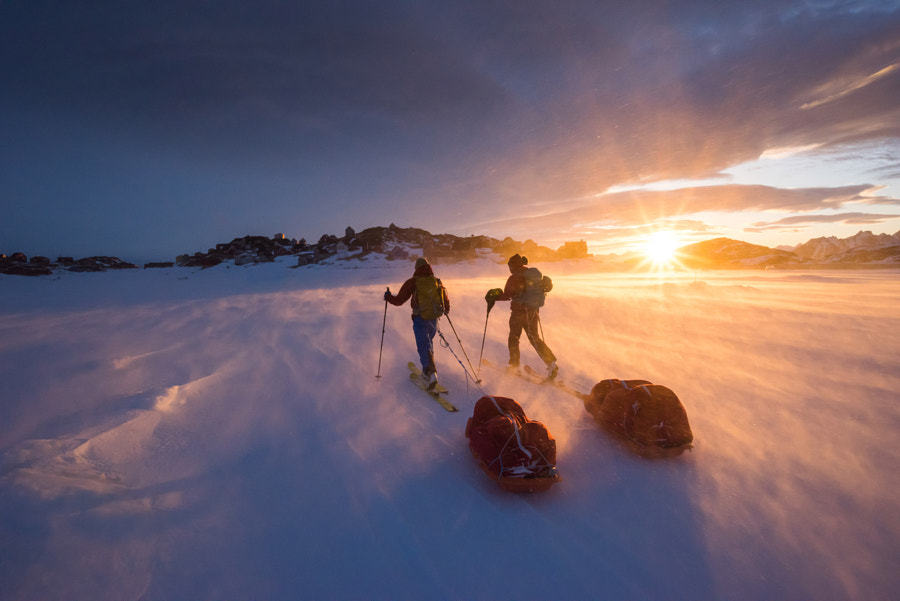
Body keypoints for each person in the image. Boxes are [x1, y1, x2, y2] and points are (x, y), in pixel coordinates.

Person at [485, 254, 558, 379]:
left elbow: (507, 294)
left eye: (510, 266)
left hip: (519, 312)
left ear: (514, 265)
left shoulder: (515, 277)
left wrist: (494, 296)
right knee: (535, 339)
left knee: (514, 338)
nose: (510, 268)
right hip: (533, 312)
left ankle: (514, 366)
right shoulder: (533, 275)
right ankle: (551, 364)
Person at [385, 257, 450, 389]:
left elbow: (399, 300)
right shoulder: (437, 281)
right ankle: (430, 369)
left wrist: (388, 297)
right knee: (428, 342)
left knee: (422, 344)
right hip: (434, 318)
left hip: (420, 317)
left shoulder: (413, 282)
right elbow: (445, 299)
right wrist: (446, 310)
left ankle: (429, 373)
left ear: (416, 269)